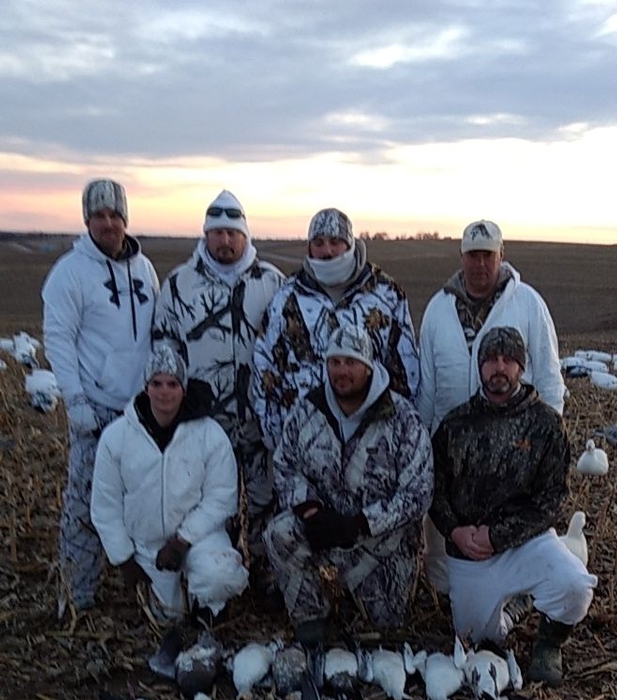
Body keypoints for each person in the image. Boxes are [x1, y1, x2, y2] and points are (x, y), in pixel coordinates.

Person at [430, 327, 596, 686]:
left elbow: (552, 500)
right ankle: (517, 604)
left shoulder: (545, 424)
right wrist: (456, 532)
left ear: (522, 367)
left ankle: (550, 643)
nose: (499, 367)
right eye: (491, 359)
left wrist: (498, 536)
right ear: (480, 366)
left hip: (525, 543)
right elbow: (435, 493)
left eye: (508, 360)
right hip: (468, 550)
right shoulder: (455, 425)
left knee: (575, 586)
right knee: (477, 640)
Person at [417, 218, 566, 589]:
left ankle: (516, 593)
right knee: (445, 557)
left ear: (502, 255)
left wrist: (544, 446)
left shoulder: (528, 304)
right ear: (461, 257)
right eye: (472, 255)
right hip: (453, 452)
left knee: (512, 537)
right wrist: (424, 444)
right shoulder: (438, 309)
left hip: (514, 453)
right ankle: (447, 599)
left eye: (488, 255)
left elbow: (548, 379)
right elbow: (427, 388)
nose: (480, 264)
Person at [263, 324, 433, 646]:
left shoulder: (402, 419)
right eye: (335, 362)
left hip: (378, 540)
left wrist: (359, 524)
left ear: (369, 367)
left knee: (387, 623)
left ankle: (368, 606)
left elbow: (418, 494)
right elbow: (285, 464)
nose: (342, 371)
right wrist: (310, 509)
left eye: (351, 363)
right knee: (279, 534)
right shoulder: (307, 410)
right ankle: (310, 616)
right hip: (322, 527)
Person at [152, 190, 284, 596]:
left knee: (266, 501)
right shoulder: (179, 285)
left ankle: (267, 576)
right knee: (211, 505)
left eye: (233, 233)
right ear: (205, 236)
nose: (225, 242)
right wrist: (174, 411)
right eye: (217, 233)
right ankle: (219, 581)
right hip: (205, 425)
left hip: (260, 422)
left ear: (245, 236)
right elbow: (164, 349)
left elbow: (287, 352)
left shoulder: (272, 282)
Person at [42, 179, 159, 614]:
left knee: (143, 501)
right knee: (85, 503)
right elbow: (57, 339)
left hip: (141, 411)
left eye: (115, 215)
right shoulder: (69, 275)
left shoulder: (144, 269)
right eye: (99, 215)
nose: (108, 223)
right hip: (97, 408)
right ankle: (76, 595)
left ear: (126, 219)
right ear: (86, 219)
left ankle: (146, 590)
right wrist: (75, 402)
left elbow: (153, 333)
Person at [90, 345, 248, 625]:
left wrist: (182, 540)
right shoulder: (117, 438)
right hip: (147, 546)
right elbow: (106, 507)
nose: (165, 391)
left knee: (221, 575)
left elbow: (222, 497)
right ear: (146, 387)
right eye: (157, 383)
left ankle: (208, 607)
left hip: (198, 539)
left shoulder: (210, 435)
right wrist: (124, 559)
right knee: (167, 619)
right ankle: (170, 600)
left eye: (173, 384)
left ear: (183, 388)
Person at [252, 208, 419, 450]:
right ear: (309, 248)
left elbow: (406, 370)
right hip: (303, 444)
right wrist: (277, 439)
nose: (327, 251)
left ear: (350, 244)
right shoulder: (285, 299)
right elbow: (265, 368)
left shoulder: (386, 294)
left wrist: (399, 434)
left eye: (335, 242)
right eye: (318, 243)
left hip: (373, 445)